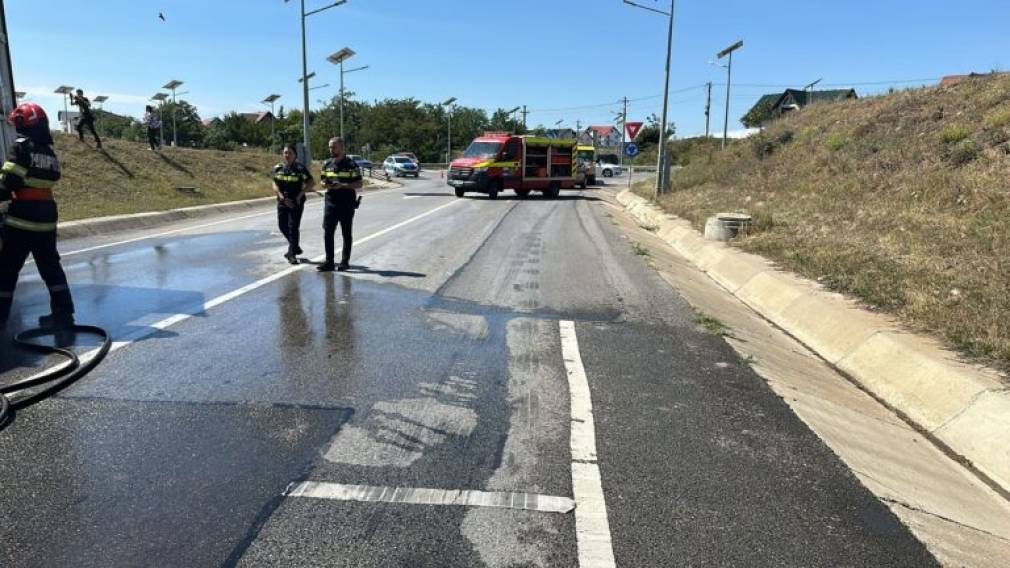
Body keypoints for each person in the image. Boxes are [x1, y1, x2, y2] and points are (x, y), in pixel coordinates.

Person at [0, 103, 75, 330]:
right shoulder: (49, 152)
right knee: (50, 267)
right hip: (47, 217)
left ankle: (1, 316)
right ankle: (64, 312)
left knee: (7, 269)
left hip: (22, 219)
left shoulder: (21, 147)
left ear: (23, 124)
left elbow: (9, 182)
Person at [318, 137, 362, 272]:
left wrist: (343, 185)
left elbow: (359, 184)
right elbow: (322, 180)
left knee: (346, 233)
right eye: (330, 147)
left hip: (346, 203)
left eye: (334, 147)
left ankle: (344, 261)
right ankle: (329, 261)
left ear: (342, 148)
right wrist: (325, 184)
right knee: (328, 232)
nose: (331, 150)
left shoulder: (351, 164)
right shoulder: (326, 164)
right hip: (330, 202)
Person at [272, 144, 314, 264]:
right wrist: (281, 196)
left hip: (296, 201)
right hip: (282, 200)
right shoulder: (279, 168)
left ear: (295, 155)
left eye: (290, 153)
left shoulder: (300, 168)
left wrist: (300, 195)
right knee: (282, 225)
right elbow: (274, 183)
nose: (287, 155)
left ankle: (292, 254)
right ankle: (295, 246)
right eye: (285, 152)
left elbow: (311, 182)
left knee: (293, 227)